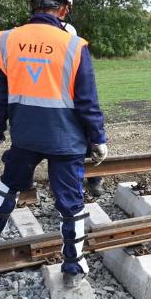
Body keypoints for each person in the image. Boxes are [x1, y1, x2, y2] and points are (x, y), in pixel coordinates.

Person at [0, 0, 108, 289]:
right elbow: (87, 100)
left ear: (34, 3)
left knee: (8, 188)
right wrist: (98, 139)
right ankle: (73, 263)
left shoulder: (6, 40)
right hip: (66, 140)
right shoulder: (74, 45)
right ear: (65, 9)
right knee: (70, 202)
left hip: (26, 136)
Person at [62, 22, 104, 197]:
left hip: (69, 116)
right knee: (80, 148)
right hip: (68, 116)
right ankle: (88, 183)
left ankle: (92, 181)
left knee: (86, 145)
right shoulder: (74, 52)